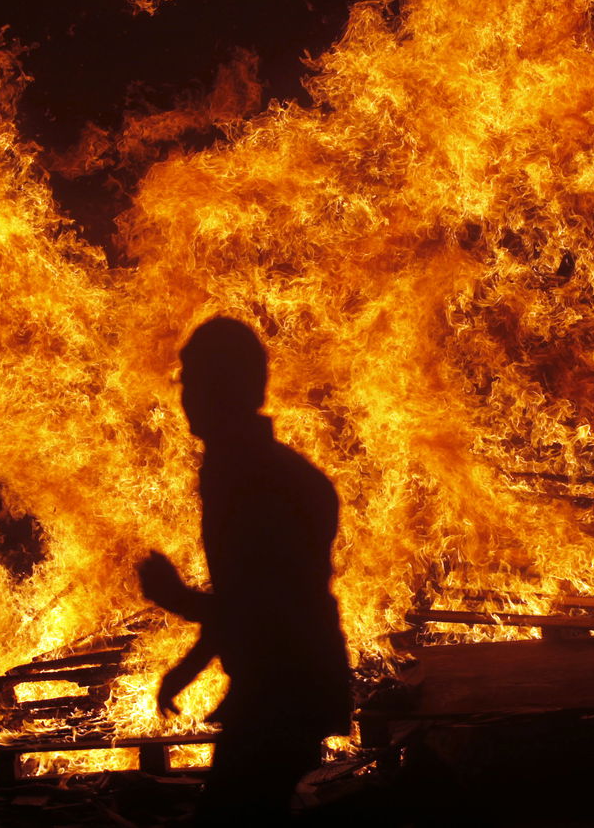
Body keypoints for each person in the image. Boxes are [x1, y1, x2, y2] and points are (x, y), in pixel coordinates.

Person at [138, 317, 352, 824]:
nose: (184, 395)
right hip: (277, 683)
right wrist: (190, 666)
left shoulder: (258, 480)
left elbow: (265, 608)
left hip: (287, 686)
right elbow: (245, 595)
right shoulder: (238, 470)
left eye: (194, 381)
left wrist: (174, 597)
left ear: (227, 388)